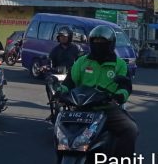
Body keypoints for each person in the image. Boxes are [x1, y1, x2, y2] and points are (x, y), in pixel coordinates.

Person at [59, 25, 138, 158]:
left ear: (111, 44)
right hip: (80, 108)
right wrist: (60, 91)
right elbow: (69, 81)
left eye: (103, 43)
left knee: (130, 129)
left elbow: (126, 86)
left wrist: (120, 96)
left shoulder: (119, 65)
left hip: (106, 108)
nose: (98, 45)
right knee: (59, 129)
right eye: (95, 42)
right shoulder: (82, 62)